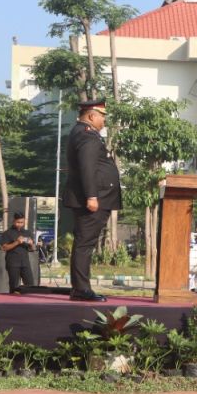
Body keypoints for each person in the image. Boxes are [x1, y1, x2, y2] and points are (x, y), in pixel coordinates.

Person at [63, 99, 120, 302]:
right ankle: (81, 289)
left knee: (85, 243)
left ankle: (80, 287)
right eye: (102, 116)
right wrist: (91, 196)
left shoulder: (84, 133)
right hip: (94, 199)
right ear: (91, 116)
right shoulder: (87, 135)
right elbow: (87, 167)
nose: (104, 121)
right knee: (85, 244)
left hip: (96, 197)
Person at [0, 211, 36, 294]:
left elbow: (32, 249)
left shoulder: (27, 233)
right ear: (14, 221)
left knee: (30, 285)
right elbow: (4, 248)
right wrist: (17, 242)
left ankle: (30, 302)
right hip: (13, 263)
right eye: (18, 222)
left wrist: (31, 244)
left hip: (25, 263)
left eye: (22, 222)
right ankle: (13, 304)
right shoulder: (7, 233)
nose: (20, 224)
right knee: (14, 287)